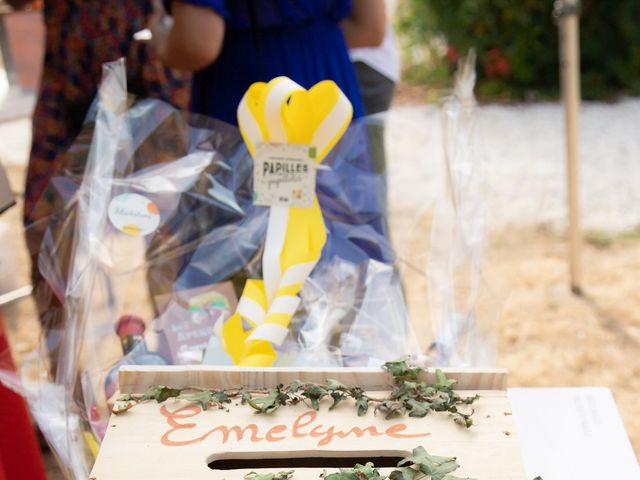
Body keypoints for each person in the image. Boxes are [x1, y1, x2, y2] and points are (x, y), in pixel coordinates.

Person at [149, 0, 386, 124]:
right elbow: (369, 28)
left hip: (250, 90)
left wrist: (158, 37)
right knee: (331, 210)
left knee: (255, 210)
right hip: (329, 86)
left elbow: (197, 45)